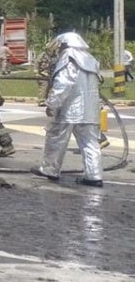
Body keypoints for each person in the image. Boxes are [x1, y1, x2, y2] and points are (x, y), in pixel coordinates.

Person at [32, 32, 103, 187]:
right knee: (90, 143)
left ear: (64, 44)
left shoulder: (69, 58)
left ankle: (50, 170)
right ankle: (94, 175)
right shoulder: (90, 59)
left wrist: (52, 104)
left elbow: (63, 84)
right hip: (90, 111)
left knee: (56, 139)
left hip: (69, 110)